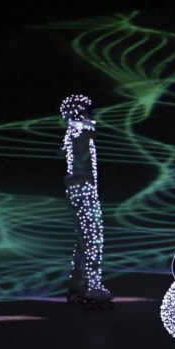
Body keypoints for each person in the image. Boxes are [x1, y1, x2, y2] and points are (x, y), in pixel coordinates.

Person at [60, 94, 113, 306]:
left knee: (85, 239)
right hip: (83, 191)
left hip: (82, 190)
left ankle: (77, 282)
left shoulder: (75, 133)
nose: (93, 116)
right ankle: (93, 286)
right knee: (92, 239)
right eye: (88, 111)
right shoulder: (80, 133)